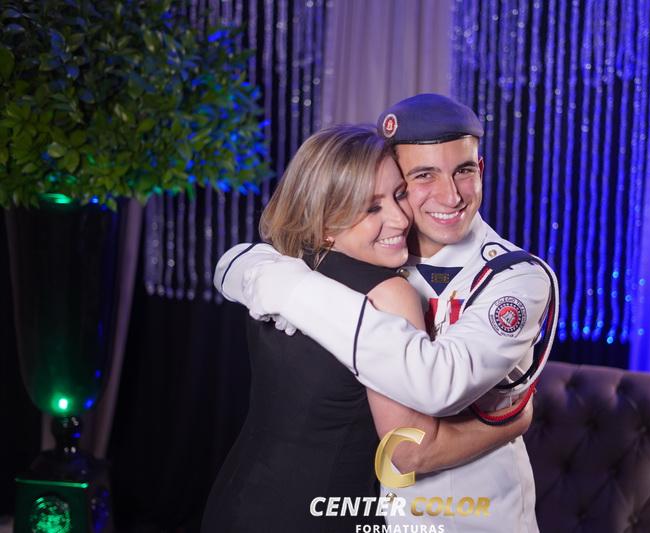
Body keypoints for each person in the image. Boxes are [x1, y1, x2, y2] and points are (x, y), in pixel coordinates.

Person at [216, 94, 557, 532]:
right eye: (422, 176)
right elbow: (239, 263)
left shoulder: (514, 276)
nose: (450, 195)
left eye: (464, 170)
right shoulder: (364, 255)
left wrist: (282, 287)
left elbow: (440, 384)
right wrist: (511, 422)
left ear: (481, 169)